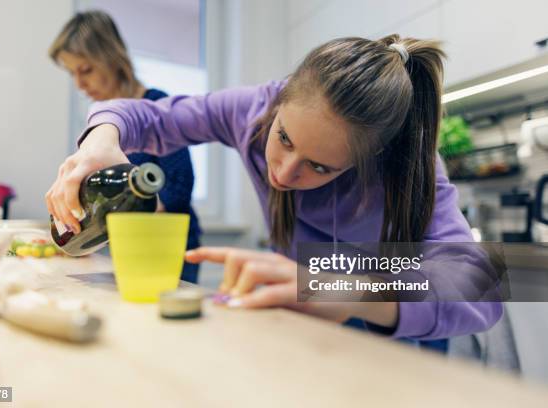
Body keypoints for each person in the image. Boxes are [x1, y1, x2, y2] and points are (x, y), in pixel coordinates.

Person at [45, 35, 503, 343]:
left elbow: (479, 287)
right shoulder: (252, 109)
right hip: (305, 337)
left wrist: (342, 290)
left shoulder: (409, 169)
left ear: (368, 161)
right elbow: (148, 116)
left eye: (320, 167)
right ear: (279, 103)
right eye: (282, 138)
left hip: (398, 349)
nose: (282, 173)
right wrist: (101, 139)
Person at [48, 10, 202, 283]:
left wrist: (117, 213)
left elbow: (178, 189)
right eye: (72, 73)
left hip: (170, 248)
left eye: (86, 70)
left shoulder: (156, 108)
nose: (79, 83)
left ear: (112, 58)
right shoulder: (98, 128)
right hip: (127, 248)